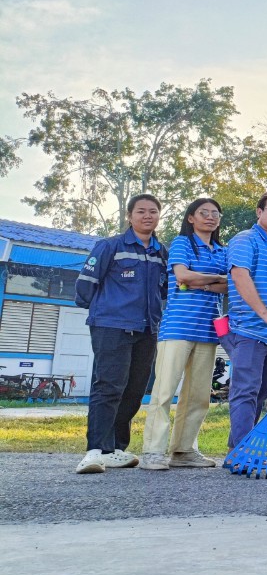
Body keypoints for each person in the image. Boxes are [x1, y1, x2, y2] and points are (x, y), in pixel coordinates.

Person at [74, 194, 168, 474]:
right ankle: (94, 451)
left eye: (153, 211)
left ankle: (115, 449)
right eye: (141, 211)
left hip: (147, 329)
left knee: (135, 389)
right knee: (109, 386)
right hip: (112, 327)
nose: (147, 216)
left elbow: (163, 291)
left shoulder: (161, 252)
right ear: (130, 216)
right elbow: (85, 286)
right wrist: (106, 311)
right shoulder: (109, 246)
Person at [140, 198, 229, 471]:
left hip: (208, 330)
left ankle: (184, 450)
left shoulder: (222, 251)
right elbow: (182, 276)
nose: (210, 218)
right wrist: (212, 279)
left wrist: (202, 280)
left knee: (199, 394)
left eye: (215, 213)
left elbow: (226, 287)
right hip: (177, 327)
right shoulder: (182, 243)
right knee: (164, 391)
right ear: (191, 218)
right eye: (204, 213)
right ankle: (153, 451)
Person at [222, 191, 267, 453]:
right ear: (259, 212)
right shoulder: (245, 239)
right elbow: (240, 276)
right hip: (249, 329)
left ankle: (238, 447)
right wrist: (264, 313)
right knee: (245, 391)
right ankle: (243, 450)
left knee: (261, 393)